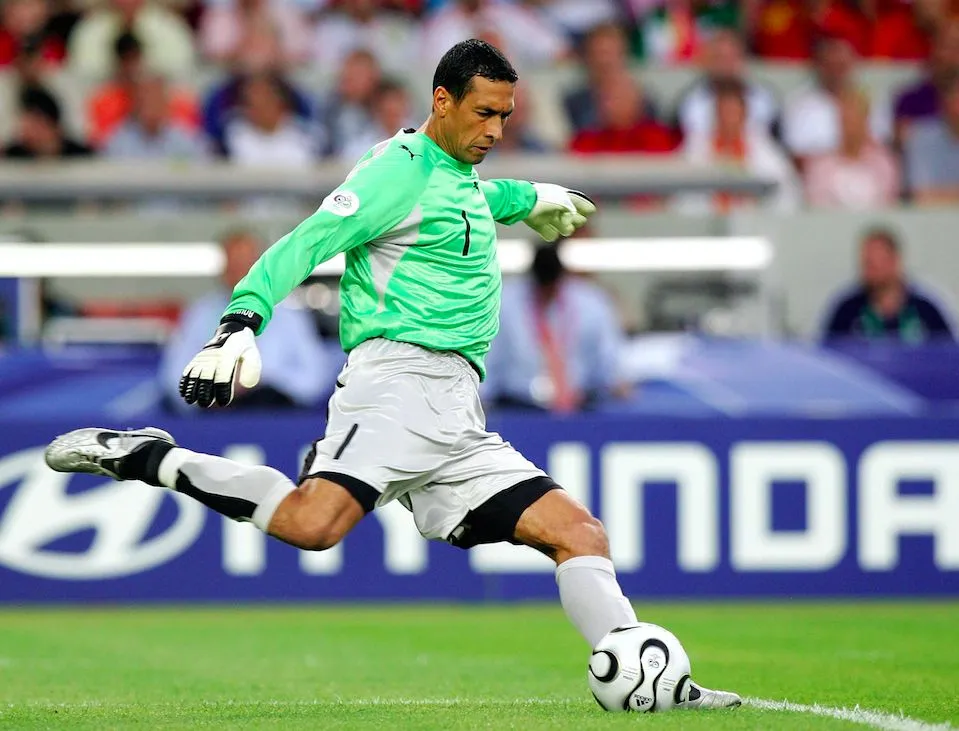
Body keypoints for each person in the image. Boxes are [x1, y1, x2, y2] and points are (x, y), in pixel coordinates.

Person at [44, 39, 739, 710]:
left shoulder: (451, 171)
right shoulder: (393, 171)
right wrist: (240, 321)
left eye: (505, 116)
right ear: (442, 101)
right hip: (395, 385)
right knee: (312, 525)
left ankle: (651, 680)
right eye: (483, 113)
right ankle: (152, 457)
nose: (495, 130)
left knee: (579, 534)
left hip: (457, 409)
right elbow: (307, 241)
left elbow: (466, 200)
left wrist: (527, 198)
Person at [159, 229, 329, 411]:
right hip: (216, 413)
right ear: (223, 268)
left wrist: (258, 379)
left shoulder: (290, 315)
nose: (240, 273)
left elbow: (315, 377)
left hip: (274, 412)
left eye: (246, 264)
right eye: (234, 265)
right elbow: (173, 379)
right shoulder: (200, 314)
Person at [484, 243, 629, 412]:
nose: (547, 292)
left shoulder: (592, 302)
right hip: (517, 406)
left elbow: (608, 356)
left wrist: (616, 381)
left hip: (579, 405)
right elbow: (489, 356)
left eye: (551, 287)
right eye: (542, 286)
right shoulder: (504, 302)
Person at [821, 228, 955, 342]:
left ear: (895, 261)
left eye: (875, 264)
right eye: (866, 264)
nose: (869, 272)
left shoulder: (926, 310)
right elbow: (826, 357)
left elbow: (948, 355)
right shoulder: (846, 311)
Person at [804, 87, 900, 210]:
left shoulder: (883, 162)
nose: (849, 124)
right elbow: (817, 208)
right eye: (845, 118)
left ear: (865, 121)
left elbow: (889, 207)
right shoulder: (820, 165)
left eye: (854, 117)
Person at [903, 75, 959, 206]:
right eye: (956, 98)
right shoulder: (921, 138)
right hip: (932, 217)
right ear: (944, 103)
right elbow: (921, 195)